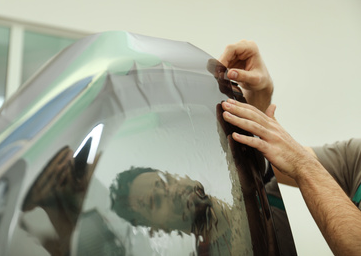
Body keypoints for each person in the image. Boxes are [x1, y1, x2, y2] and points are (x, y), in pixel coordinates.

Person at [218, 40, 361, 255]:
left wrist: (302, 165)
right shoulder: (355, 156)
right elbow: (264, 168)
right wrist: (257, 100)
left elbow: (297, 162)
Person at [109, 166, 253, 255]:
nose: (173, 191)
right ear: (157, 228)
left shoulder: (254, 188)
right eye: (157, 201)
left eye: (167, 181)